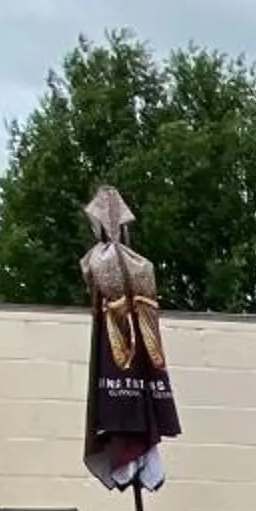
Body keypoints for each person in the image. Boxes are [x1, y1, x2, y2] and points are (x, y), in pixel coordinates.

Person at [79, 184, 178, 491]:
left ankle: (132, 459)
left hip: (125, 361)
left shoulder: (99, 261)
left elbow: (90, 271)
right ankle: (136, 458)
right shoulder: (138, 268)